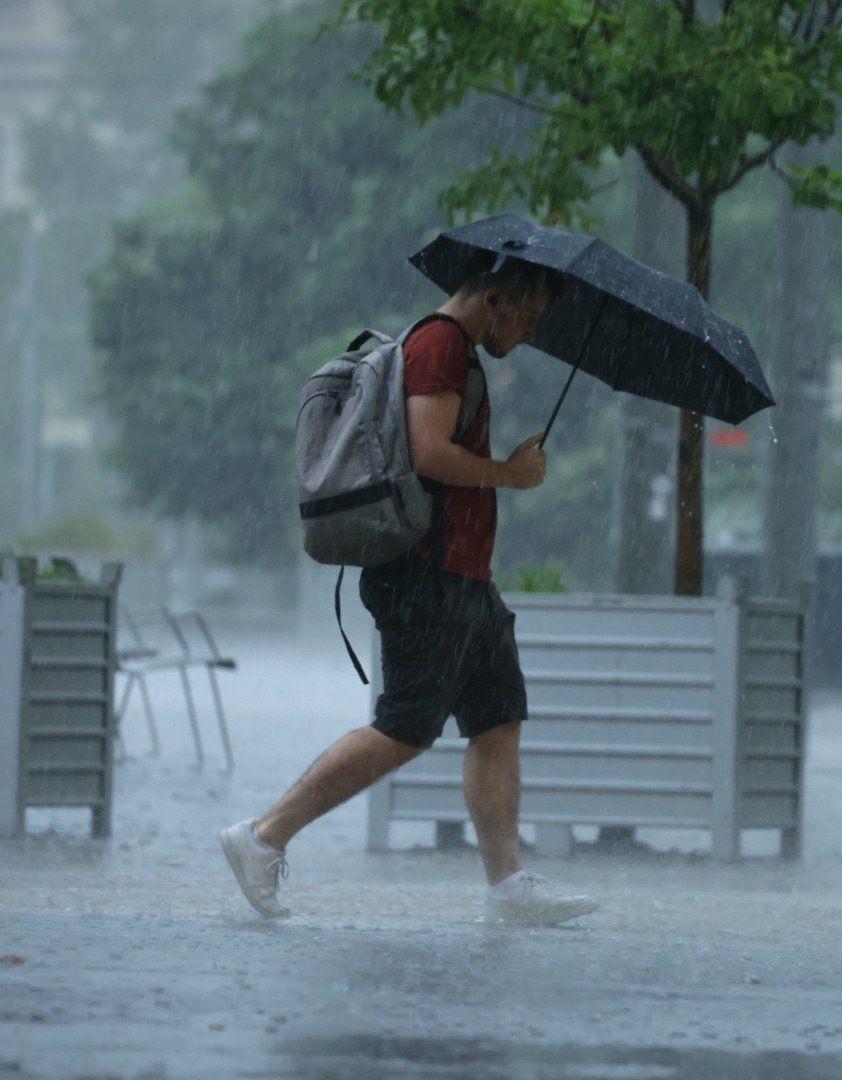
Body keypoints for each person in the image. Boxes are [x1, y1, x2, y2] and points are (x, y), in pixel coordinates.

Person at [220, 259, 600, 926]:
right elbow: (429, 453)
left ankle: (508, 885)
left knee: (497, 718)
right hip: (426, 574)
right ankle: (263, 837)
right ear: (494, 298)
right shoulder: (441, 345)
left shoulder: (453, 351)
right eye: (529, 318)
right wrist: (509, 474)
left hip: (465, 578)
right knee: (403, 728)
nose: (531, 334)